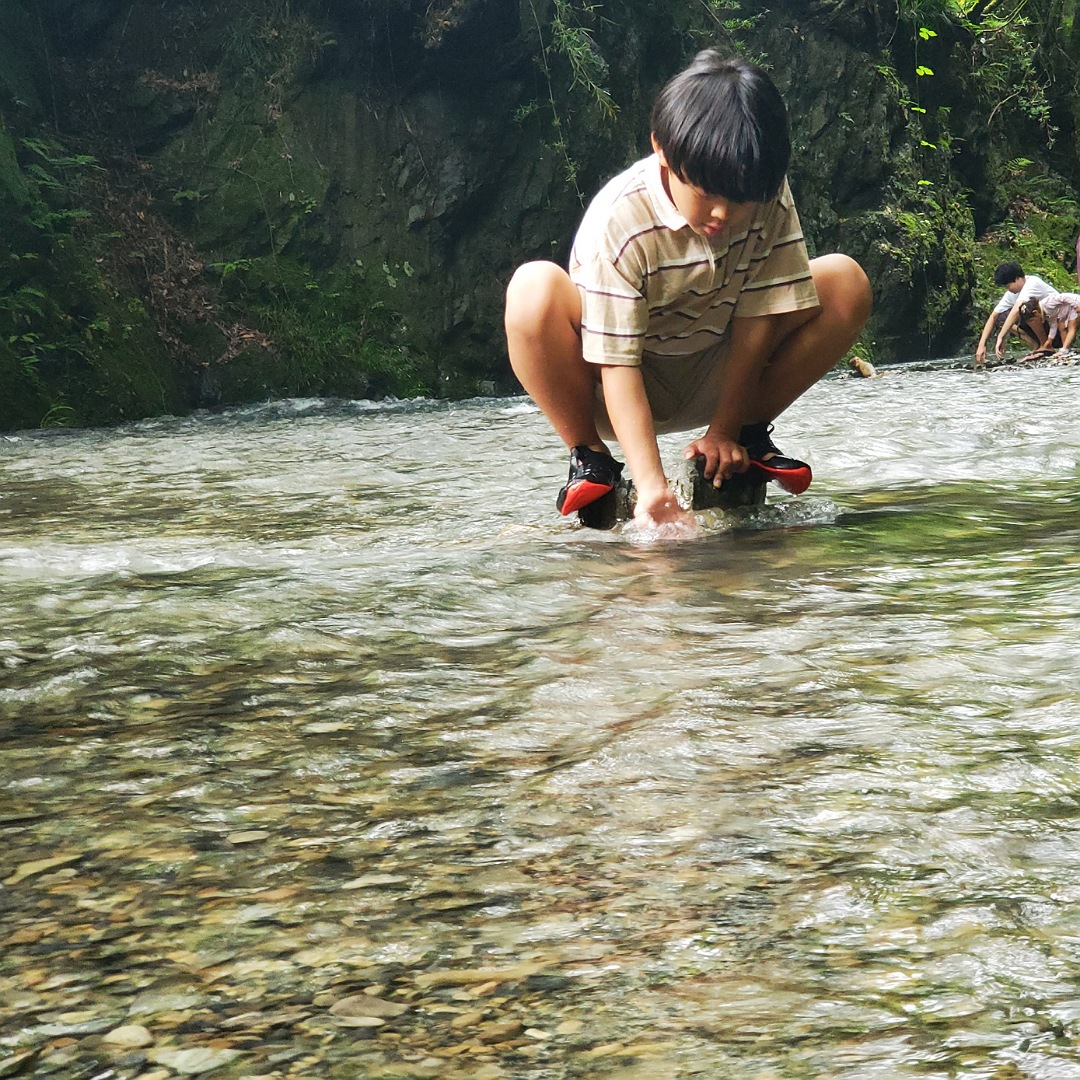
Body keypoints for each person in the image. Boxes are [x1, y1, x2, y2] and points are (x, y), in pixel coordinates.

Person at [504, 50, 872, 529]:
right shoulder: (621, 219)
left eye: (738, 200)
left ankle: (749, 434)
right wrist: (652, 487)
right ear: (661, 148)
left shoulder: (765, 191)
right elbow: (616, 361)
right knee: (533, 289)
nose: (722, 214)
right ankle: (589, 458)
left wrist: (725, 430)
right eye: (706, 193)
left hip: (713, 370)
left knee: (845, 282)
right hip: (613, 386)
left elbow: (760, 318)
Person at [975, 262, 1057, 366]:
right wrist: (981, 345)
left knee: (1025, 309)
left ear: (1018, 278)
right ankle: (1037, 346)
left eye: (1008, 286)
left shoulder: (1033, 283)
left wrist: (1001, 336)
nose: (1008, 289)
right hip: (1044, 326)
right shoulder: (1012, 293)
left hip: (1058, 328)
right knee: (1002, 316)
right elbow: (994, 316)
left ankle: (1046, 346)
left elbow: (1016, 310)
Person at [1033, 290, 1080, 355]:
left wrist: (1076, 306)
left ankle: (1064, 349)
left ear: (1035, 312)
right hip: (1065, 311)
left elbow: (1064, 297)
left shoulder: (1047, 303)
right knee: (1061, 327)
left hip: (1074, 304)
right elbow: (1053, 325)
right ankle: (1066, 347)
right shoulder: (1046, 315)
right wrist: (1050, 339)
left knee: (1071, 326)